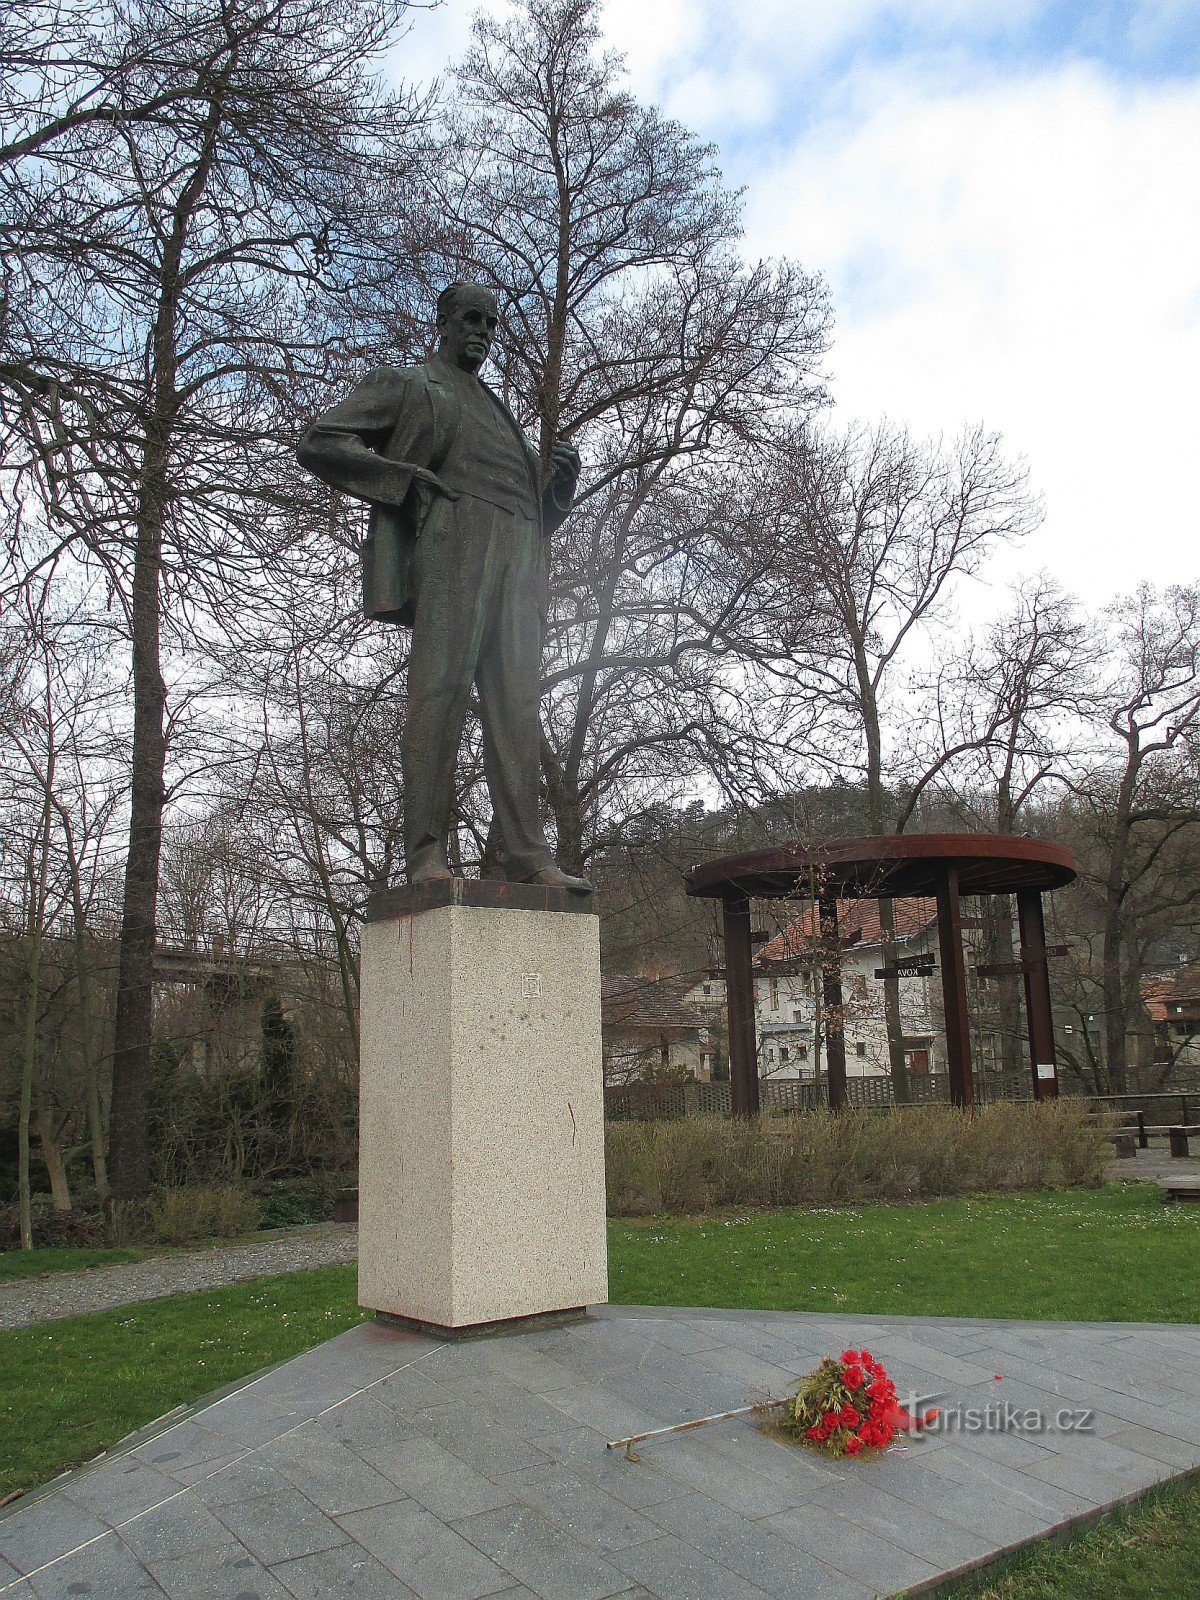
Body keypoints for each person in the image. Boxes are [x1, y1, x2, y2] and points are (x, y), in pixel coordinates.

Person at [298, 283, 590, 892]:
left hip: (515, 554)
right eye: (471, 319)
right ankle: (425, 852)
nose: (483, 330)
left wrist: (557, 489)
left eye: (491, 321)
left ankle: (528, 854)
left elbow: (530, 512)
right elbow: (320, 441)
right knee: (439, 694)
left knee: (516, 707)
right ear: (446, 323)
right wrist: (405, 480)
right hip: (452, 545)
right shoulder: (409, 385)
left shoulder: (498, 410)